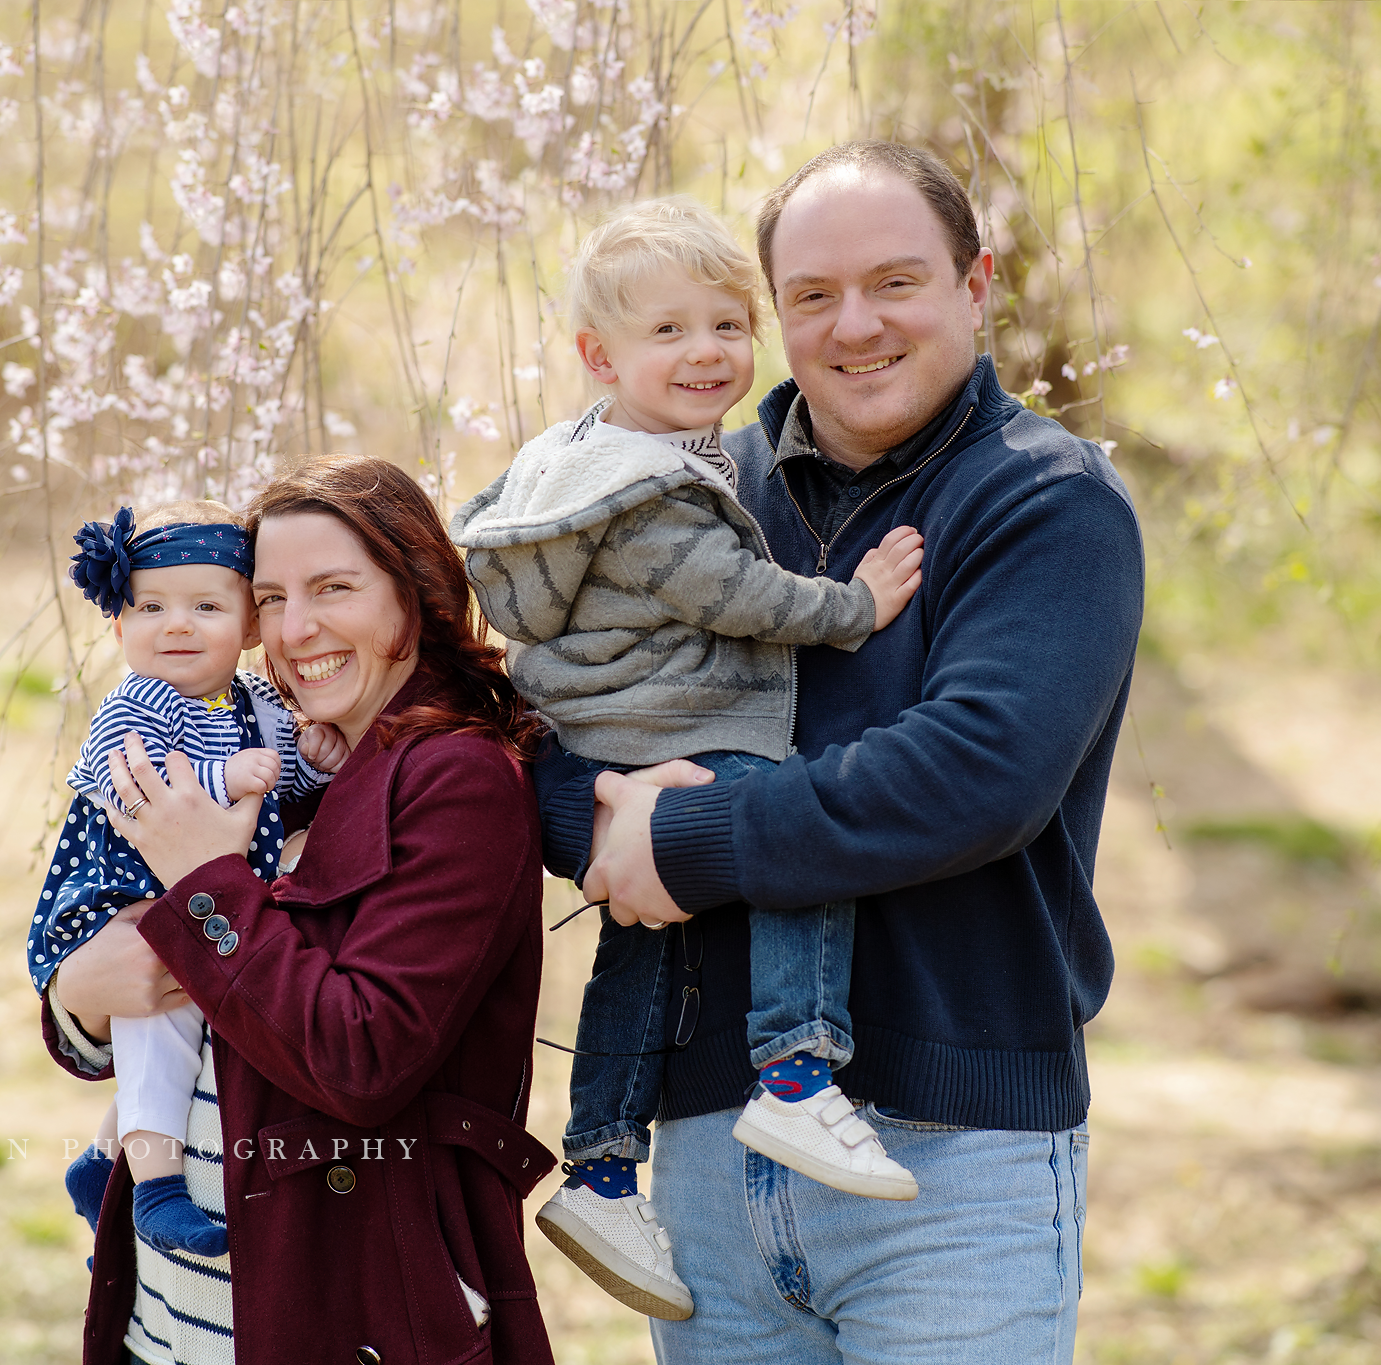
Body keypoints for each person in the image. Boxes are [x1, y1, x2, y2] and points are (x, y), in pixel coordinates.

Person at [539, 142, 1144, 1362]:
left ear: (974, 287)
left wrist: (688, 842)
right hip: (706, 1153)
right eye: (812, 296)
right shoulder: (682, 494)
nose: (853, 324)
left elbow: (972, 775)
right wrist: (599, 825)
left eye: (894, 283)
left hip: (951, 1163)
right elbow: (558, 716)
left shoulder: (1044, 500)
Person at [449, 197, 927, 1324]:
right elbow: (735, 595)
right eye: (668, 333)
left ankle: (604, 1170)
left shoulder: (578, 465)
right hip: (678, 734)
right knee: (800, 840)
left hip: (611, 742)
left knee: (643, 949)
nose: (706, 352)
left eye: (725, 324)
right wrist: (855, 604)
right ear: (595, 357)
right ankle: (798, 1071)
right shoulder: (649, 489)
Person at [40, 456, 558, 1365]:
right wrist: (79, 998)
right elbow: (160, 982)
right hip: (174, 1312)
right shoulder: (276, 749)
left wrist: (205, 876)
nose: (296, 627)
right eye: (271, 597)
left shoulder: (458, 779)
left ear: (415, 592)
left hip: (342, 1298)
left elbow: (361, 1054)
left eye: (333, 588)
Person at [32, 499, 349, 1261]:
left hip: (199, 893)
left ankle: (104, 1160)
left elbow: (282, 775)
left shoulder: (256, 700)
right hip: (124, 893)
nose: (175, 625)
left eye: (205, 605)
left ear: (248, 627)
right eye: (150, 606)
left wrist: (316, 762)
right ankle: (157, 1187)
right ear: (118, 626)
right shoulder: (138, 700)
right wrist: (221, 773)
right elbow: (116, 781)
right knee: (162, 1018)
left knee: (197, 1017)